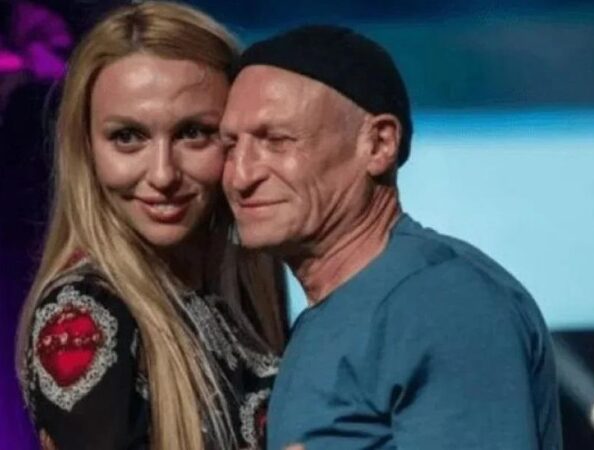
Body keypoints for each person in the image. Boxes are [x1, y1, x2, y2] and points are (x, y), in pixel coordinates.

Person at [220, 25, 562, 449]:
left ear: (379, 144)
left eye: (276, 141)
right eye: (230, 147)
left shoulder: (439, 301)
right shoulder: (343, 309)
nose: (240, 176)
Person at [15, 2, 287, 449]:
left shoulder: (248, 283)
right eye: (127, 137)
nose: (162, 175)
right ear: (87, 150)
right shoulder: (82, 316)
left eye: (192, 132)